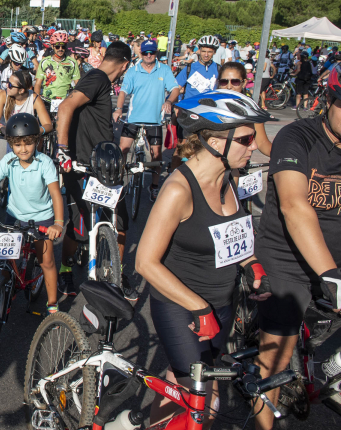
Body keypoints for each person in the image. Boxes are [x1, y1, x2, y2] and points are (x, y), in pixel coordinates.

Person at [136, 89, 274, 429]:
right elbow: (145, 262)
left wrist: (250, 263)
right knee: (198, 397)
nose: (254, 145)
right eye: (245, 138)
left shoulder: (228, 177)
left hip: (221, 303)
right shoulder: (178, 190)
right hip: (182, 306)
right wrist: (198, 307)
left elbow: (233, 236)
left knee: (179, 382)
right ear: (214, 140)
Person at [252, 66, 341, 430]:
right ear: (330, 101)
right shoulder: (297, 137)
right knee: (276, 357)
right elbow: (293, 205)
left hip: (333, 259)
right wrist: (330, 274)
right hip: (288, 256)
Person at [55, 41, 134, 298]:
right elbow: (66, 106)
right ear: (125, 65)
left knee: (119, 222)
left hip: (105, 166)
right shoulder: (97, 78)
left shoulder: (100, 81)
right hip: (81, 166)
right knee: (79, 227)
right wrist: (63, 149)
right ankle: (65, 270)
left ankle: (117, 276)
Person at [0, 113, 64, 315]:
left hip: (42, 217)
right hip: (15, 215)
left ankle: (53, 303)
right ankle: (1, 288)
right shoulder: (9, 160)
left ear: (36, 141)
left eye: (28, 143)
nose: (23, 149)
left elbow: (55, 193)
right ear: (11, 144)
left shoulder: (44, 163)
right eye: (17, 144)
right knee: (3, 258)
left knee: (47, 261)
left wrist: (58, 223)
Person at [113, 39, 180, 200]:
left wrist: (169, 101)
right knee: (123, 149)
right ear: (141, 53)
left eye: (152, 52)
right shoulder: (133, 70)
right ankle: (118, 182)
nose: (149, 55)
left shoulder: (164, 70)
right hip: (133, 119)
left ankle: (154, 187)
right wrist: (119, 109)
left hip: (155, 120)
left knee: (156, 156)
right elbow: (123, 92)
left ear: (156, 53)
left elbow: (175, 89)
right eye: (145, 53)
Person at [171, 35, 221, 172]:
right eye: (204, 51)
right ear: (199, 50)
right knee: (182, 146)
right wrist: (174, 104)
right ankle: (173, 173)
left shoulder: (218, 69)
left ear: (214, 52)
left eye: (210, 52)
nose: (206, 54)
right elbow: (176, 88)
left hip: (209, 114)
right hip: (189, 112)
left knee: (205, 146)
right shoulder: (189, 68)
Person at [0, 44, 31, 171]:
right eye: (16, 63)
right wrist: (3, 93)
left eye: (21, 63)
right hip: (1, 101)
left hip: (17, 102)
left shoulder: (25, 71)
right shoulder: (3, 68)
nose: (18, 66)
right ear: (11, 60)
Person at [217, 62, 274, 157]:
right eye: (224, 82)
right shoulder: (208, 105)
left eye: (235, 82)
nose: (229, 86)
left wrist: (282, 157)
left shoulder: (252, 109)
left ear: (244, 83)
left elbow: (262, 143)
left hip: (237, 166)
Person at [0, 69, 53, 148]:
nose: (6, 86)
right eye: (7, 82)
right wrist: (1, 128)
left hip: (29, 141)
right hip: (12, 139)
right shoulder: (3, 95)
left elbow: (48, 125)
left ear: (21, 90)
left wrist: (36, 131)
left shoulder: (34, 98)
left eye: (10, 85)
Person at [34, 31, 80, 104]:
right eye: (57, 46)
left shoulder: (72, 62)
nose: (60, 49)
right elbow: (38, 83)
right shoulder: (44, 62)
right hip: (47, 99)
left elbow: (77, 84)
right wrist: (36, 100)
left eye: (63, 46)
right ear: (52, 46)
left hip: (66, 100)